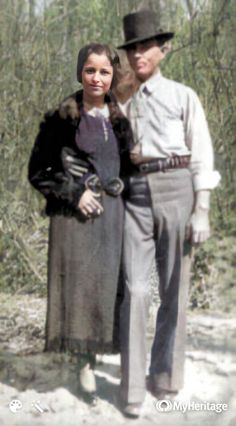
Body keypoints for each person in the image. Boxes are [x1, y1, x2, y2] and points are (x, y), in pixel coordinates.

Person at [116, 9, 221, 417]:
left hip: (178, 188)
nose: (138, 55)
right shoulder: (121, 102)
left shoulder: (184, 95)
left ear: (163, 49)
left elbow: (202, 154)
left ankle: (165, 378)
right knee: (137, 290)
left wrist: (203, 210)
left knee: (174, 291)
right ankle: (131, 391)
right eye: (131, 49)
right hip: (136, 195)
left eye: (145, 47)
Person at [28, 43, 132, 403]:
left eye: (104, 72)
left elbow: (129, 169)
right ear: (80, 72)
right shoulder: (61, 118)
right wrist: (74, 193)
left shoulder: (120, 119)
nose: (97, 78)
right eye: (90, 70)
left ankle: (101, 354)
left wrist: (122, 182)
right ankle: (83, 364)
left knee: (105, 289)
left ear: (112, 76)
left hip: (111, 219)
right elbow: (38, 171)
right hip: (73, 219)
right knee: (79, 290)